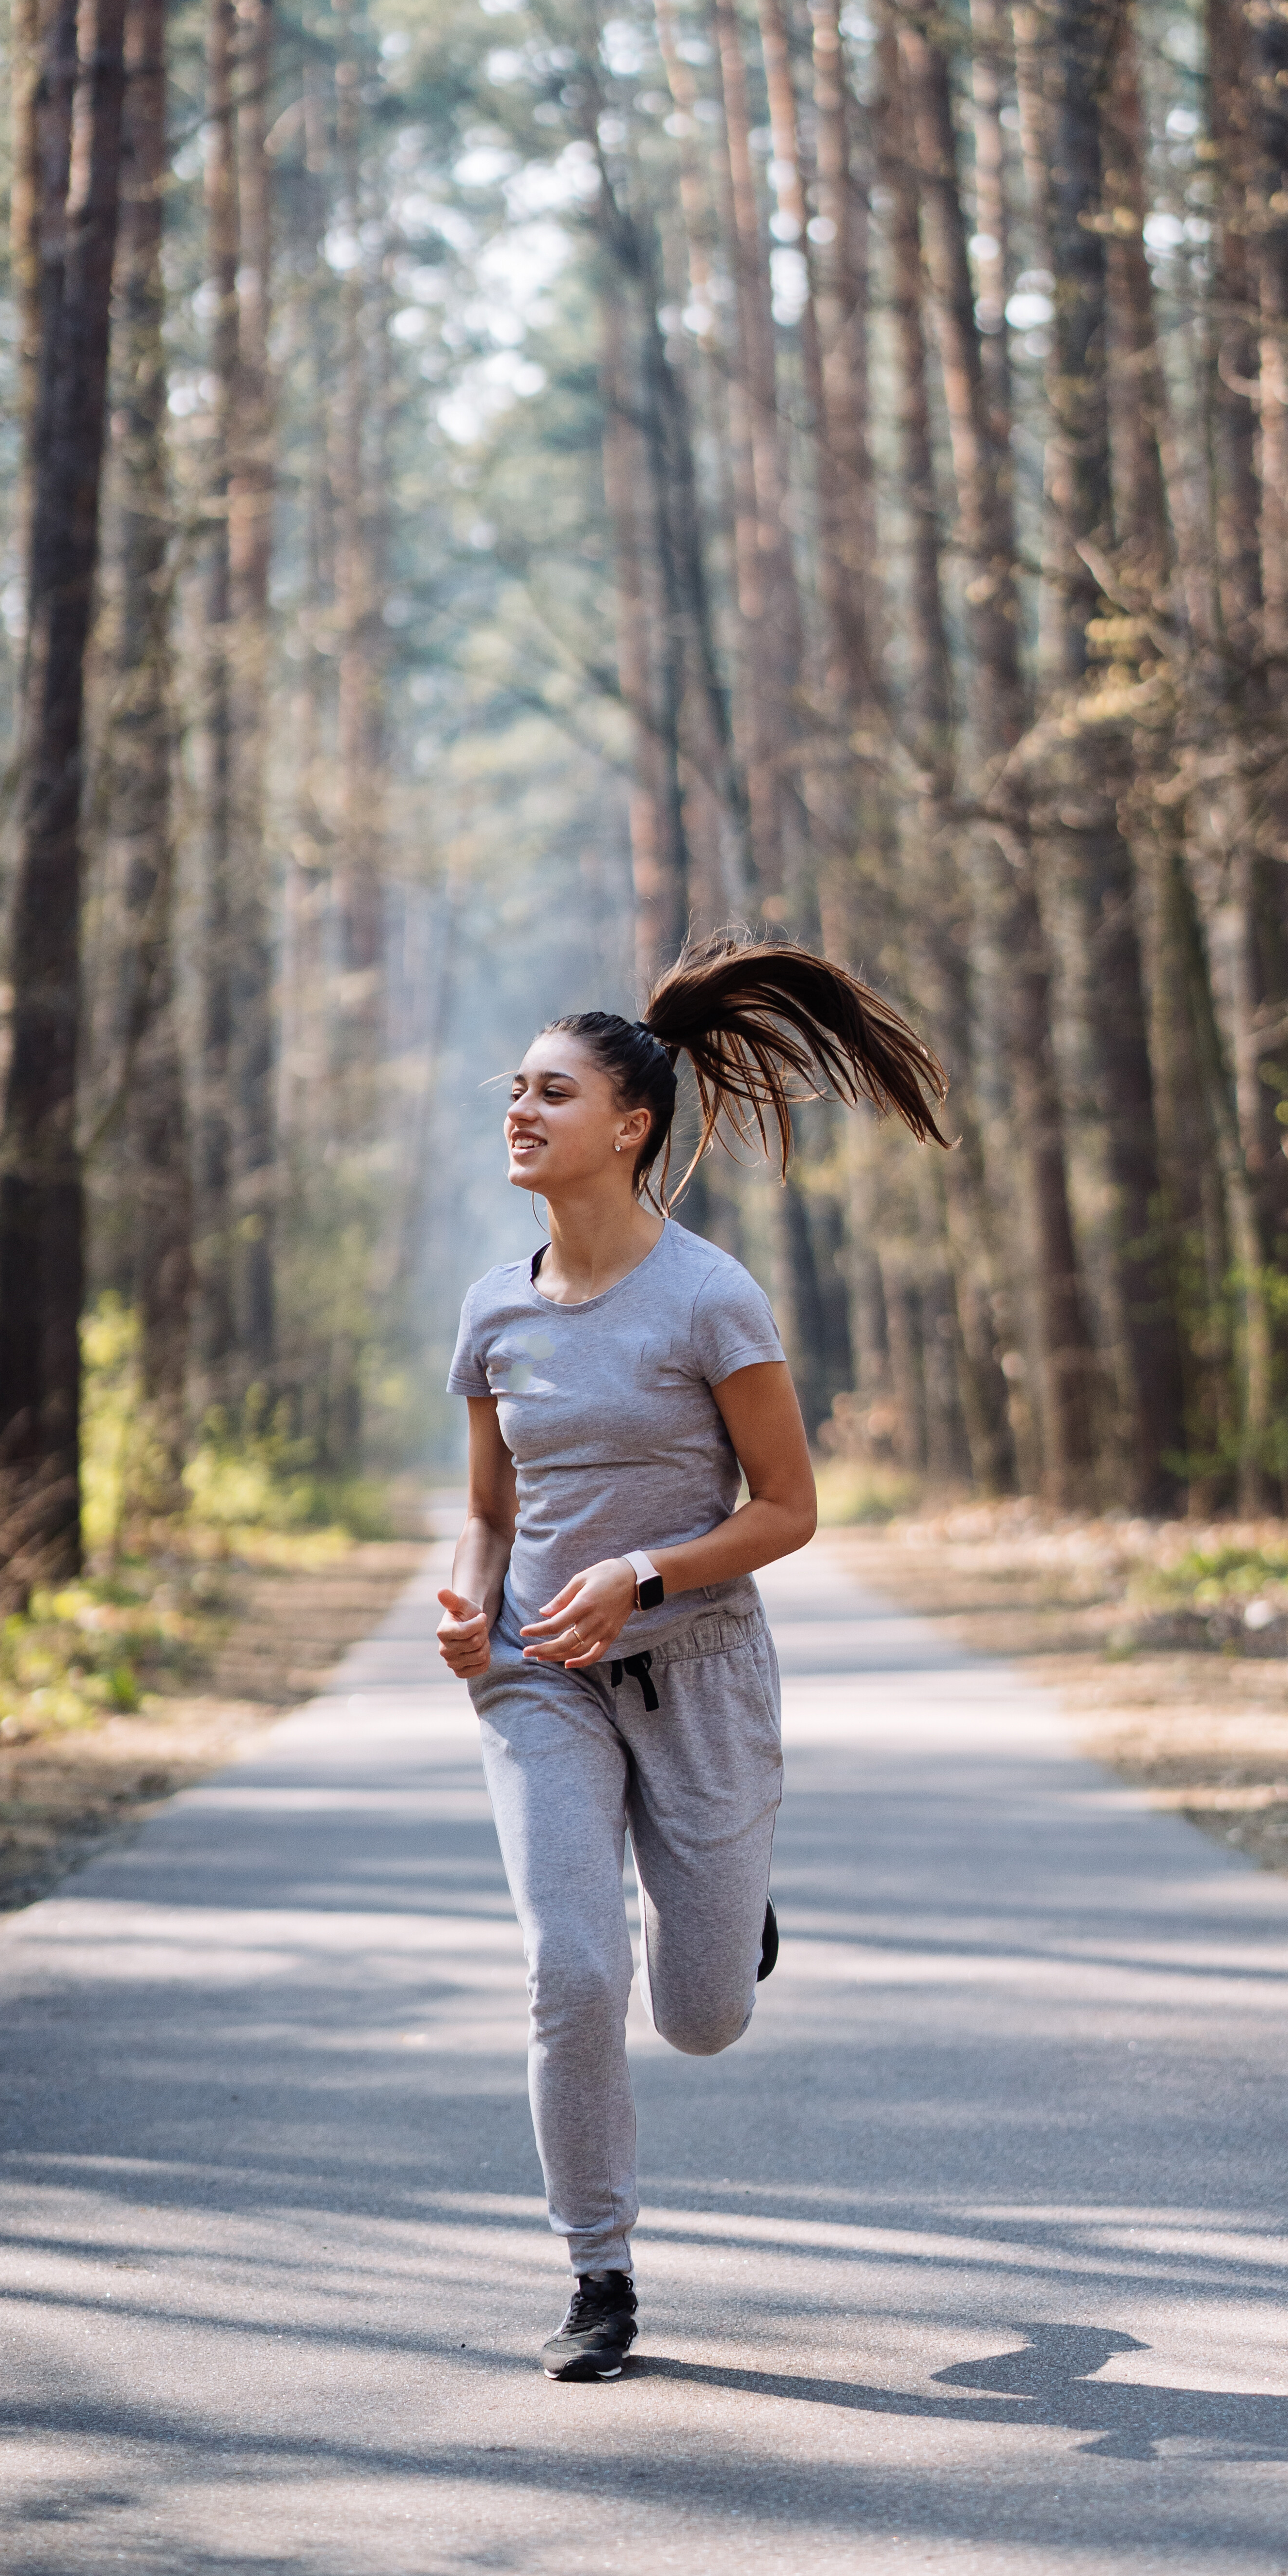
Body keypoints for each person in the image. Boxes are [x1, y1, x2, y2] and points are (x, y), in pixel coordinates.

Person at [436, 933, 947, 2379]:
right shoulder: (494, 1310)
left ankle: (729, 1911)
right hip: (540, 1673)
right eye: (514, 1092)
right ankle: (598, 2272)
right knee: (571, 1973)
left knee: (701, 2016)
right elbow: (487, 1513)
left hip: (701, 1668)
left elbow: (790, 1510)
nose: (521, 1114)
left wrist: (644, 1570)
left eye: (551, 1093)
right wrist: (470, 1601)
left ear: (632, 1126)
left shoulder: (711, 1297)